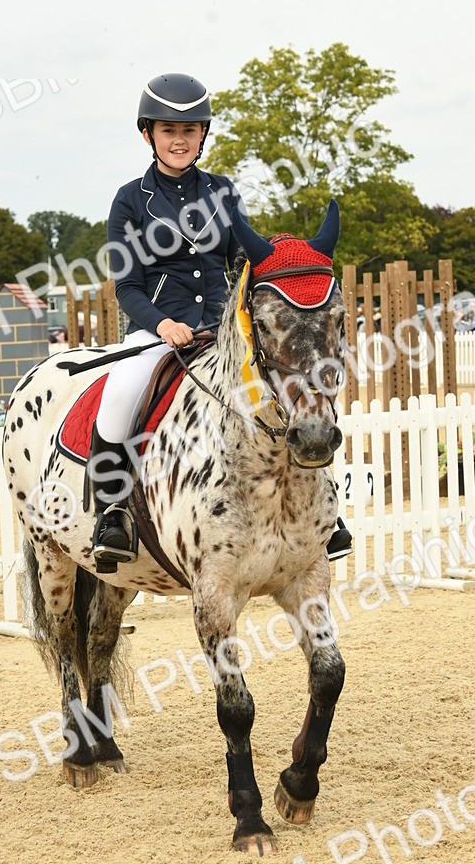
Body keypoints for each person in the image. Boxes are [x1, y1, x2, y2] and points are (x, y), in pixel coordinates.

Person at [90, 71, 352, 567]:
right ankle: (112, 513)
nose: (179, 139)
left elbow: (241, 266)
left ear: (203, 135)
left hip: (222, 333)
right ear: (148, 134)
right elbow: (127, 286)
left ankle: (324, 513)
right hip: (157, 331)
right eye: (169, 130)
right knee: (121, 390)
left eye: (189, 130)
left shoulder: (224, 193)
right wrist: (162, 324)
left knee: (290, 394)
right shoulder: (129, 200)